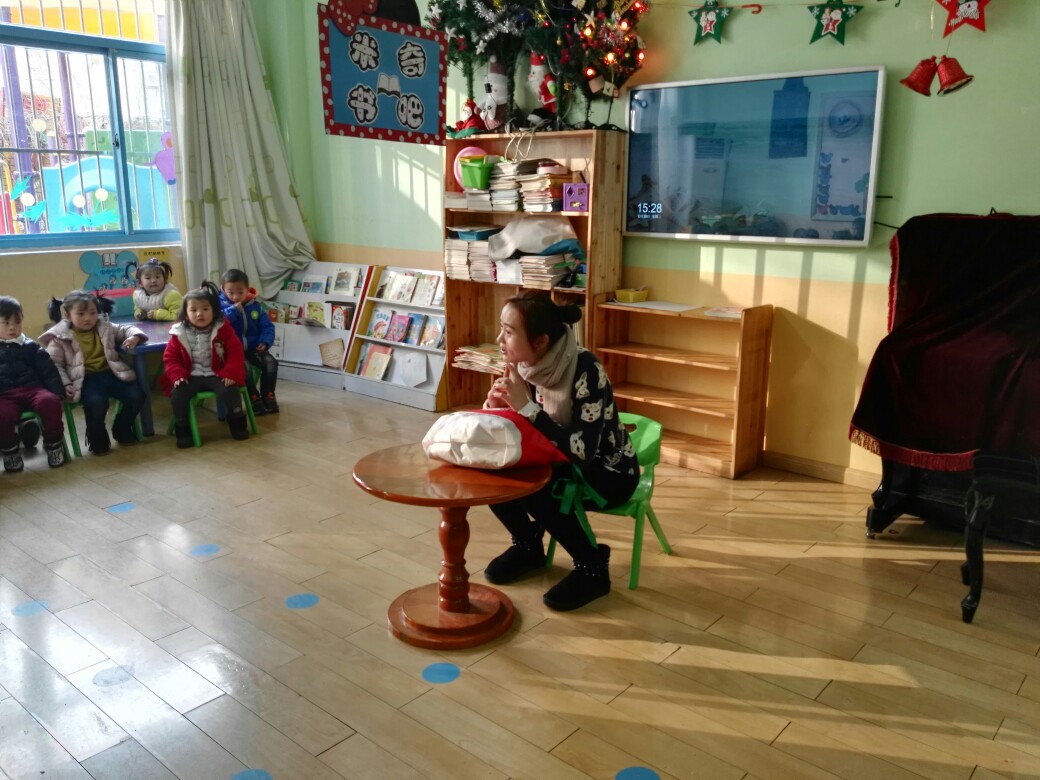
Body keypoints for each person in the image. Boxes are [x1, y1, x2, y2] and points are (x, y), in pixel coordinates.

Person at [483, 291, 639, 611]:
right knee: (491, 467)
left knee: (540, 488)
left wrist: (525, 408)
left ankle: (592, 566)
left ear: (540, 341)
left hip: (609, 471)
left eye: (509, 332)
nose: (500, 339)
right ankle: (528, 545)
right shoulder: (525, 365)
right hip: (557, 458)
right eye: (502, 329)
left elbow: (581, 451)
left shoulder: (586, 369)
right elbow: (526, 431)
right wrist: (497, 409)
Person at [40, 291, 145, 455]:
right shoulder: (59, 337)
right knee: (96, 403)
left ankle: (122, 428)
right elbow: (55, 365)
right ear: (68, 315)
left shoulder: (104, 326)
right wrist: (66, 384)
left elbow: (126, 329)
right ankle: (97, 439)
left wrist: (135, 337)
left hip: (110, 373)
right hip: (84, 379)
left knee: (136, 396)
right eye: (81, 314)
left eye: (92, 313)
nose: (88, 318)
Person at [163, 281, 249, 447]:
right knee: (178, 395)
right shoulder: (179, 332)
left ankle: (237, 424)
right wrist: (178, 376)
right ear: (186, 314)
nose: (199, 314)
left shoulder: (223, 328)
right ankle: (183, 431)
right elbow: (170, 358)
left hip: (217, 374)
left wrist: (230, 373)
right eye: (193, 310)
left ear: (214, 311)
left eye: (205, 309)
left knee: (230, 391)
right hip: (190, 376)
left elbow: (236, 353)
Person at [0, 296, 66, 471]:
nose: (12, 327)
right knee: (3, 414)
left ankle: (53, 444)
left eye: (17, 322)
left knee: (49, 402)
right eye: (6, 323)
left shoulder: (30, 346)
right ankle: (10, 450)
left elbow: (48, 370)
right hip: (5, 394)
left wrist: (57, 391)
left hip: (32, 389)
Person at [218, 269, 278, 415]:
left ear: (247, 289)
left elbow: (267, 326)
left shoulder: (255, 305)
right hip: (233, 351)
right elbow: (219, 324)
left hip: (253, 348)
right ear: (223, 289)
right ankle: (253, 398)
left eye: (240, 292)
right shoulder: (219, 306)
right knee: (245, 369)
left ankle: (268, 395)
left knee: (271, 363)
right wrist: (234, 310)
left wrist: (264, 341)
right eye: (230, 292)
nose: (235, 296)